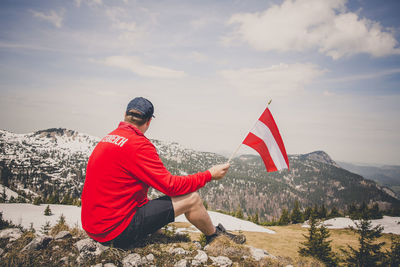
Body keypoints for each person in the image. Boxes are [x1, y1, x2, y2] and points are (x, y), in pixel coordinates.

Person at [81, 97, 245, 248]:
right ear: (149, 121)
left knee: (151, 201)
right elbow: (171, 186)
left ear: (125, 115)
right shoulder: (138, 145)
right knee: (192, 199)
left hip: (94, 227)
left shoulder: (108, 138)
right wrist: (209, 175)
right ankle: (215, 236)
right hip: (115, 233)